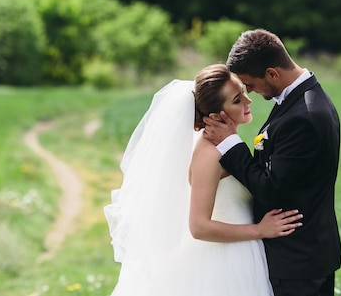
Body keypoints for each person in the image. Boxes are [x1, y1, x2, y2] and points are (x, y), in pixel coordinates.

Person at [104, 64, 303, 296]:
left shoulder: (223, 144)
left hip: (241, 250)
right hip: (225, 261)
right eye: (237, 100)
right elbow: (198, 227)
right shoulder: (209, 155)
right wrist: (259, 230)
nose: (249, 102)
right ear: (216, 115)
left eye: (243, 92)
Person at [203, 29, 341, 296]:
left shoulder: (304, 116)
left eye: (250, 84)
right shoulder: (302, 99)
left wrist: (230, 143)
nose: (250, 93)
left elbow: (271, 188)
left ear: (272, 74)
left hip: (296, 262)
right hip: (306, 256)